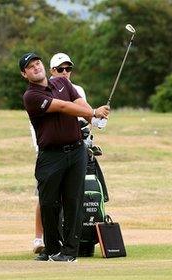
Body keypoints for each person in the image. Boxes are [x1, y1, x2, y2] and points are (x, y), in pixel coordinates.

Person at [20, 52, 110, 262]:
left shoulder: (63, 83)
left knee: (73, 202)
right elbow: (62, 106)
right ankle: (51, 249)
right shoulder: (31, 96)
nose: (36, 67)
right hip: (50, 155)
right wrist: (94, 111)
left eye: (37, 63)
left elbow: (79, 102)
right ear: (25, 74)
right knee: (49, 203)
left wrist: (94, 117)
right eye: (30, 66)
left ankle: (70, 252)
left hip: (76, 151)